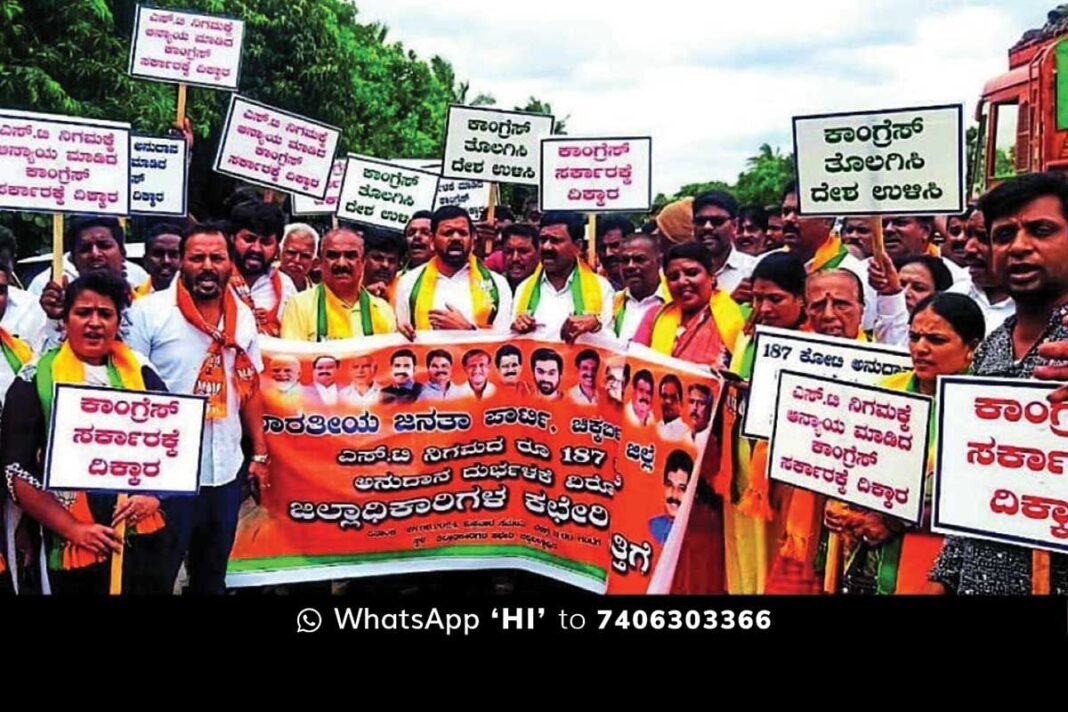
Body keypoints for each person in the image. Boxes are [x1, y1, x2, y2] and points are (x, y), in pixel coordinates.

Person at [931, 173, 1068, 594]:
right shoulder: (991, 348)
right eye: (1004, 235)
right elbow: (975, 485)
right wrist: (944, 575)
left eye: (1041, 230)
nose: (1019, 246)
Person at [2, 271, 170, 594]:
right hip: (68, 546)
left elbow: (171, 446)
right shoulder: (35, 379)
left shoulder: (142, 372)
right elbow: (16, 470)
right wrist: (74, 529)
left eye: (105, 314)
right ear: (65, 321)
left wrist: (153, 495)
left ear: (118, 322)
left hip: (140, 540)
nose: (94, 323)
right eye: (83, 313)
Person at [125, 221, 268, 595]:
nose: (207, 266)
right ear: (181, 262)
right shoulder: (148, 313)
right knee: (154, 579)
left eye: (217, 258)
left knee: (212, 579)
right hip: (164, 475)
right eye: (197, 258)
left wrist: (260, 454)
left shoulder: (243, 316)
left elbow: (250, 389)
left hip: (225, 470)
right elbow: (129, 389)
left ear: (230, 264)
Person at [826, 292, 984, 594]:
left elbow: (978, 504)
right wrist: (843, 508)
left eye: (936, 340)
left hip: (939, 564)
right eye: (914, 337)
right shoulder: (884, 392)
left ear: (972, 348)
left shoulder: (985, 408)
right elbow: (853, 464)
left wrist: (894, 522)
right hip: (868, 560)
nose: (920, 348)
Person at [725, 252, 808, 594]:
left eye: (775, 299)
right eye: (757, 298)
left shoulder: (816, 345)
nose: (764, 308)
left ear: (801, 299)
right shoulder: (746, 338)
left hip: (787, 472)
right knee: (744, 546)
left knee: (775, 551)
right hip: (742, 463)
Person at [395, 206, 512, 336]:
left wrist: (468, 331)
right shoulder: (408, 283)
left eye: (462, 233)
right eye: (448, 233)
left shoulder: (498, 285)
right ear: (432, 240)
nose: (456, 238)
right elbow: (401, 339)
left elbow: (504, 341)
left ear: (473, 239)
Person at [632, 242, 745, 370]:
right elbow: (635, 364)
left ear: (712, 276)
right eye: (674, 277)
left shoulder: (735, 317)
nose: (682, 282)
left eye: (692, 273)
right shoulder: (654, 316)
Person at [512, 211, 614, 343]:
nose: (546, 247)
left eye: (555, 240)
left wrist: (595, 326)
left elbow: (613, 344)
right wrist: (516, 327)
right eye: (543, 240)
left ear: (578, 246)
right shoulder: (524, 289)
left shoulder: (601, 288)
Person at [280, 228, 396, 341]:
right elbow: (292, 353)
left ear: (363, 262)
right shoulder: (300, 305)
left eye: (350, 256)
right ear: (320, 263)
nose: (341, 263)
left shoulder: (383, 311)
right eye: (333, 255)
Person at [27, 216, 148, 297]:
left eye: (104, 245)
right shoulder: (48, 285)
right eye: (85, 248)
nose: (95, 254)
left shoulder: (139, 278)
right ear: (73, 259)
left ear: (122, 252)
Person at [227, 200, 297, 336]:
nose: (256, 249)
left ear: (277, 247)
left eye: (266, 242)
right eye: (249, 239)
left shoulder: (286, 286)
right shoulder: (217, 279)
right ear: (232, 238)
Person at [947, 207, 1015, 335]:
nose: (968, 248)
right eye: (969, 236)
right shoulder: (955, 295)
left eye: (983, 238)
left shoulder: (1045, 309)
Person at [692, 190, 756, 297]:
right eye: (700, 221)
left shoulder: (752, 270)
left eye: (717, 221)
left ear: (734, 225)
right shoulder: (679, 274)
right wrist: (730, 302)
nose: (707, 227)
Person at [612, 233, 669, 341]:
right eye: (625, 260)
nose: (630, 266)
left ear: (659, 261)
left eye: (639, 259)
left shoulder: (674, 301)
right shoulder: (612, 304)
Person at [648, 450, 695, 546]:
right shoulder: (654, 526)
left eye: (682, 488)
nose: (674, 494)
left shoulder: (696, 536)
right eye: (670, 485)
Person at [136, 223, 182, 297]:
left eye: (173, 254)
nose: (166, 261)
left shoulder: (197, 299)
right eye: (158, 254)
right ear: (145, 261)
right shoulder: (132, 298)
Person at [362, 228, 406, 303]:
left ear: (399, 265)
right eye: (378, 258)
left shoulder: (405, 291)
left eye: (391, 261)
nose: (385, 265)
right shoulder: (347, 284)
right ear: (363, 258)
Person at [500, 223, 541, 292]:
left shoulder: (550, 288)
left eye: (523, 252)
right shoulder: (494, 286)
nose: (515, 258)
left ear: (538, 253)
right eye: (508, 252)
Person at [279, 223, 319, 292]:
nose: (297, 260)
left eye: (305, 256)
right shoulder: (264, 287)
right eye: (291, 253)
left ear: (315, 263)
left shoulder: (319, 295)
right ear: (278, 253)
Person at [596, 215, 633, 290]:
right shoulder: (596, 288)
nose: (608, 254)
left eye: (615, 246)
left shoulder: (650, 285)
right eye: (602, 248)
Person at [656, 374, 688, 441]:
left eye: (673, 397)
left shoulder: (686, 433)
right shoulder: (655, 429)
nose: (668, 401)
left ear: (681, 402)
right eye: (664, 396)